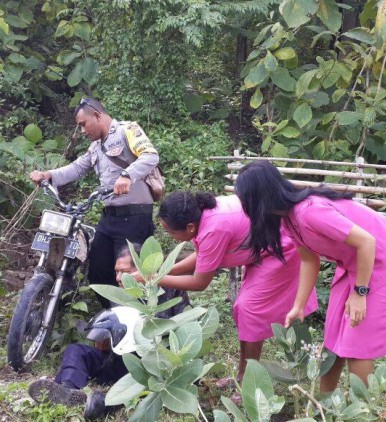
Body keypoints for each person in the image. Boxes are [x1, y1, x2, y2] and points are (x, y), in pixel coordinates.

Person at [233, 160, 386, 392]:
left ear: (258, 198)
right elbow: (308, 260)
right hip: (354, 263)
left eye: (245, 200)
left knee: (358, 338)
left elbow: (367, 242)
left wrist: (360, 293)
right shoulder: (288, 219)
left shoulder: (310, 212)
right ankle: (325, 406)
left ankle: (364, 412)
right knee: (334, 336)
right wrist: (298, 306)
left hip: (384, 260)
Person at [152, 191, 318, 381]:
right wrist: (165, 272)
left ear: (189, 227)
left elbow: (199, 282)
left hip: (282, 249)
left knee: (248, 310)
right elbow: (203, 256)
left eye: (170, 232)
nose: (168, 235)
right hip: (263, 250)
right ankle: (244, 372)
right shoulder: (203, 217)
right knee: (245, 310)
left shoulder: (214, 228)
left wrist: (154, 279)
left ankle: (248, 377)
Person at [28, 244, 188, 419]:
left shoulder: (172, 290)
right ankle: (68, 391)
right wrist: (105, 339)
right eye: (116, 272)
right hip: (117, 361)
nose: (118, 278)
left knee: (139, 385)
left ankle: (103, 403)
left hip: (150, 366)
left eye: (124, 272)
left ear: (143, 272)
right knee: (76, 351)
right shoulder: (119, 294)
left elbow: (186, 327)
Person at [29, 98, 158, 307]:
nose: (81, 130)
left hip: (135, 217)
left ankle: (139, 322)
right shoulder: (96, 146)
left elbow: (150, 156)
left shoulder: (128, 130)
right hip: (109, 217)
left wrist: (127, 175)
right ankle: (112, 317)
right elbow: (78, 168)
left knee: (132, 277)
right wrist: (48, 175)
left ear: (97, 115)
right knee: (98, 274)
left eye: (83, 124)